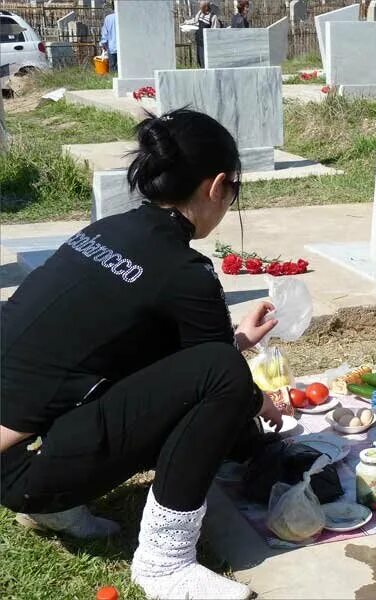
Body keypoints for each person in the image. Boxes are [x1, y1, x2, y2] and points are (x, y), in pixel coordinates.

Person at [0, 109, 283, 600]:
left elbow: (147, 356)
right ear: (217, 186)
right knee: (227, 380)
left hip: (15, 453)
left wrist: (236, 341)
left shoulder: (109, 231)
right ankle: (164, 563)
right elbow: (215, 374)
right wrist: (257, 397)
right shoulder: (183, 269)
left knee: (219, 368)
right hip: (27, 468)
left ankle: (53, 508)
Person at [184, 0, 221, 68]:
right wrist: (186, 22)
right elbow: (195, 20)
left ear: (206, 7)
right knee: (200, 62)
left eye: (201, 6)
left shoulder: (213, 17)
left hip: (206, 45)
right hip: (199, 42)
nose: (200, 7)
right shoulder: (200, 13)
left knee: (205, 64)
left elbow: (215, 32)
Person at [100, 2, 117, 73]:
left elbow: (104, 33)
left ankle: (112, 82)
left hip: (112, 46)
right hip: (125, 48)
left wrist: (104, 43)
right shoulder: (125, 16)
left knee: (112, 66)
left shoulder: (108, 18)